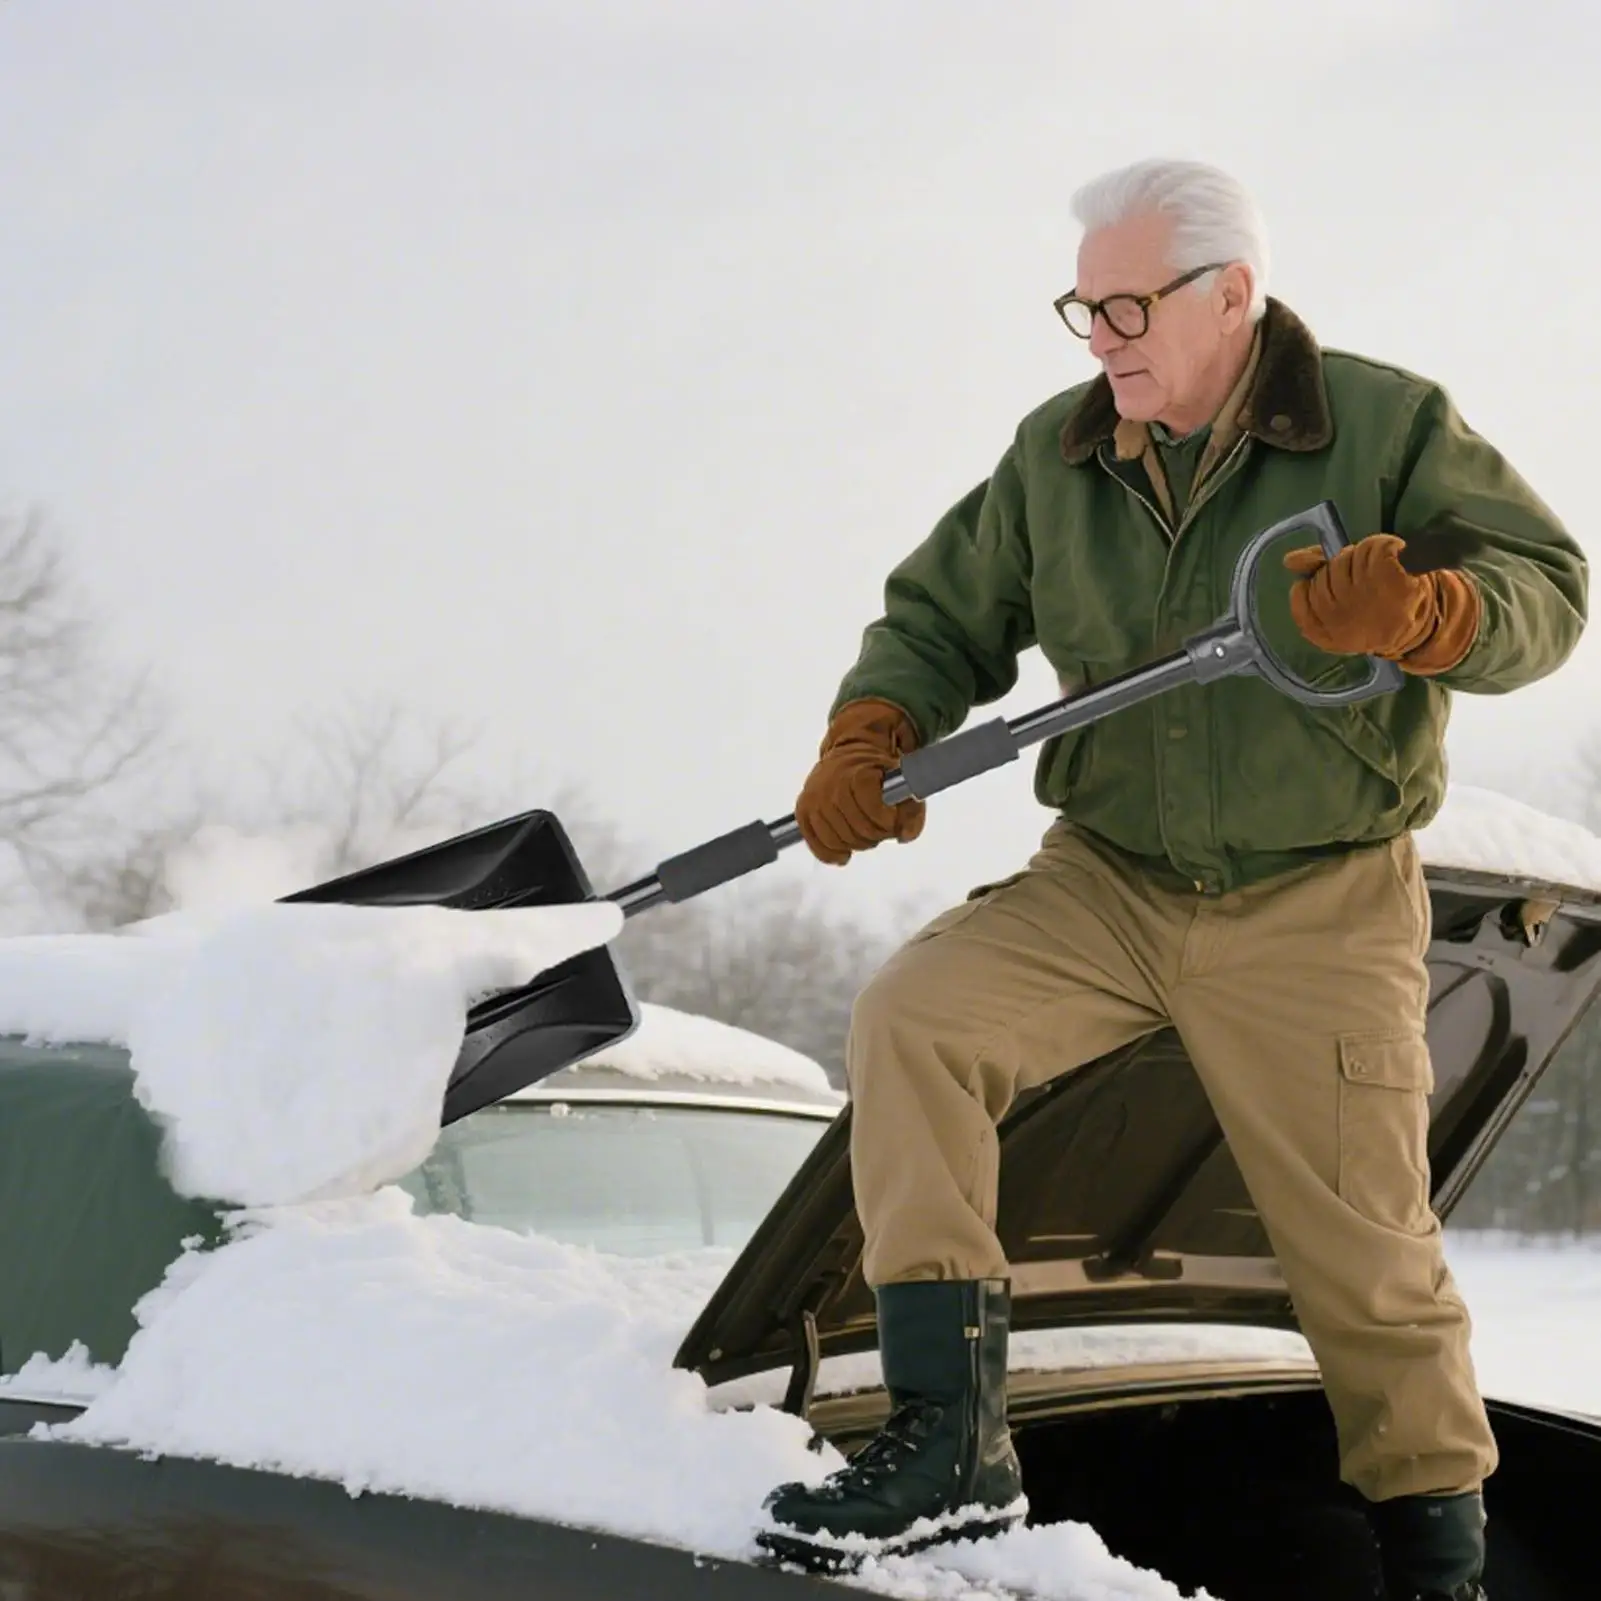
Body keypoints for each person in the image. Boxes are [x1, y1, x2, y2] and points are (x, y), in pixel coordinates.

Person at [755, 159, 1588, 1601]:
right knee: (918, 1020)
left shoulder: (1385, 426)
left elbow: (1551, 594)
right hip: (1111, 881)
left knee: (1366, 1261)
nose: (1102, 335)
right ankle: (951, 1437)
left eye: (1131, 304)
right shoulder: (1056, 457)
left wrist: (1436, 610)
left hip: (1315, 898)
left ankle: (1435, 1558)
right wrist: (874, 728)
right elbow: (943, 615)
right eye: (1086, 304)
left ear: (1233, 296)